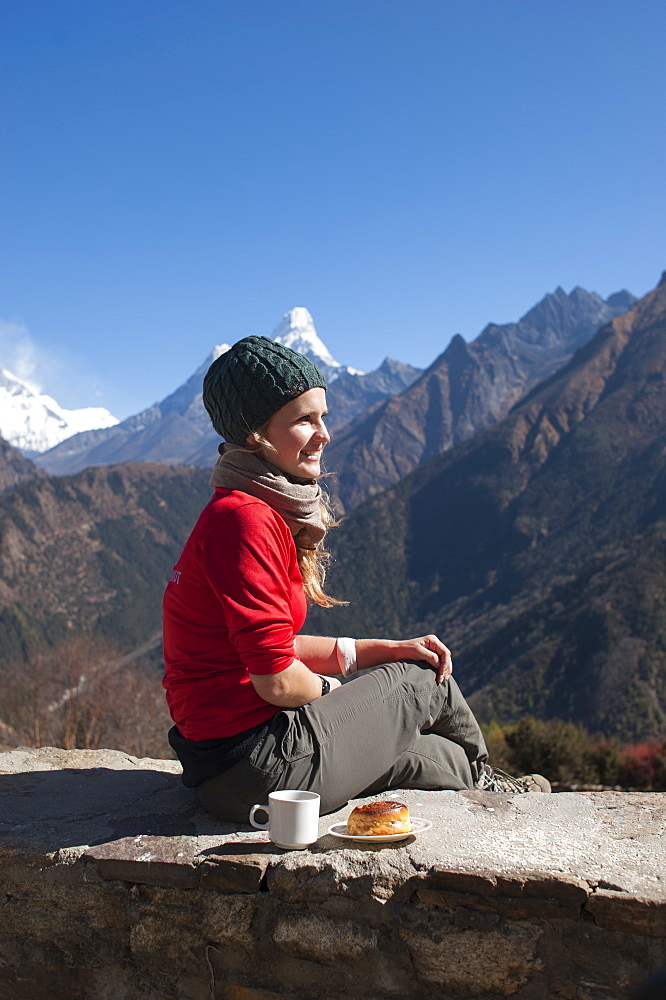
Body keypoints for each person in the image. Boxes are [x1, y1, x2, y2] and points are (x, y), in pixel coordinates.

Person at [162, 336, 549, 824]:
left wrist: (383, 649)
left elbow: (272, 645)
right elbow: (278, 681)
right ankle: (492, 778)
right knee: (424, 679)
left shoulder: (238, 509)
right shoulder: (246, 520)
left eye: (323, 416)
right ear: (256, 432)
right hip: (263, 764)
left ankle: (488, 784)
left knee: (411, 748)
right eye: (304, 419)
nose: (324, 434)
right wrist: (335, 693)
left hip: (229, 774)